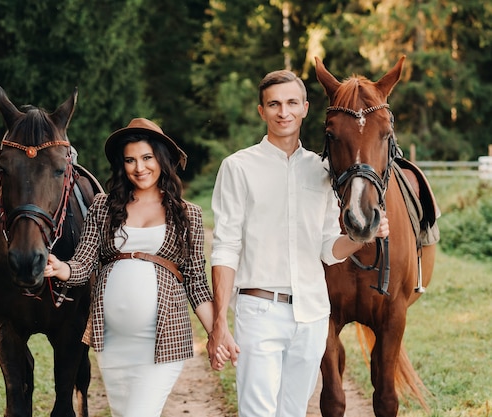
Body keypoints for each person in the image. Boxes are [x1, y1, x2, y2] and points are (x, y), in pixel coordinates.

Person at [206, 70, 389, 417]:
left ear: (305, 108)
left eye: (291, 103)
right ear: (262, 111)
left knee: (292, 412)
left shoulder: (322, 170)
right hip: (259, 310)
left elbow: (326, 248)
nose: (283, 112)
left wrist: (361, 238)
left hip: (311, 315)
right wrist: (219, 323)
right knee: (257, 412)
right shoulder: (238, 167)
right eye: (274, 104)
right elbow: (226, 247)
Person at [44, 118, 227, 417]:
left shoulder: (186, 213)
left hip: (162, 341)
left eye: (146, 158)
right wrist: (61, 268)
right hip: (112, 341)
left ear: (161, 160)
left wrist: (215, 333)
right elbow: (84, 262)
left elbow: (196, 283)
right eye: (130, 160)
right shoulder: (104, 206)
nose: (139, 168)